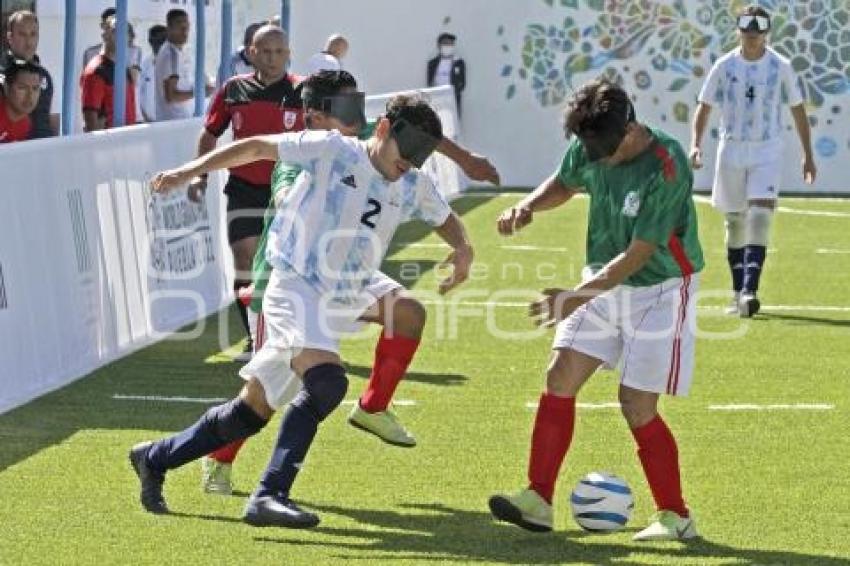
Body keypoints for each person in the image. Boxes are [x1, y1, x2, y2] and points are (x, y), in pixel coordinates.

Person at [130, 93, 475, 529]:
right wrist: (188, 171)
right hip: (297, 285)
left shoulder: (411, 181)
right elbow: (256, 147)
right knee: (328, 381)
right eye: (402, 157)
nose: (404, 167)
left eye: (414, 162)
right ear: (383, 130)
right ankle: (269, 495)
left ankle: (154, 458)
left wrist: (463, 247)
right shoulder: (333, 150)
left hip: (350, 288)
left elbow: (442, 215)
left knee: (250, 411)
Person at [200, 71, 501, 495]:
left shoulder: (374, 151)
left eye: (358, 107)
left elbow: (410, 131)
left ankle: (373, 407)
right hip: (289, 285)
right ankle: (219, 457)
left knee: (408, 312)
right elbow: (287, 189)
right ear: (316, 117)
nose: (356, 117)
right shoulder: (308, 155)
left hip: (348, 279)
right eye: (346, 109)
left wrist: (462, 169)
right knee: (265, 395)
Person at [488, 79, 704, 541]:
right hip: (601, 280)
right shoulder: (594, 141)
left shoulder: (666, 167)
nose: (598, 161)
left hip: (661, 288)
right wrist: (529, 206)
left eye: (606, 154)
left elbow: (640, 253)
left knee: (636, 404)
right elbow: (565, 182)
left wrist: (574, 297)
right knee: (560, 373)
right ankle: (538, 499)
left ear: (629, 131)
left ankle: (675, 515)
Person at [690, 4, 816, 318]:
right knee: (734, 222)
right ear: (738, 30)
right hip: (731, 149)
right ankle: (737, 294)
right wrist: (695, 145)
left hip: (766, 149)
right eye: (747, 27)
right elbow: (704, 106)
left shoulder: (780, 66)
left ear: (766, 32)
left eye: (758, 28)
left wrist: (808, 155)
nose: (752, 34)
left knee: (760, 215)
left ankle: (750, 290)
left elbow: (797, 108)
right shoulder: (724, 65)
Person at [188, 25, 304, 360]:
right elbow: (209, 133)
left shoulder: (302, 91)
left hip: (288, 192)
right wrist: (200, 176)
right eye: (265, 51)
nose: (273, 58)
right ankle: (255, 337)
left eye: (280, 52)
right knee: (244, 260)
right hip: (243, 190)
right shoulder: (233, 90)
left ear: (289, 54)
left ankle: (286, 335)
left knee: (282, 267)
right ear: (251, 53)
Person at [1, 10, 57, 138]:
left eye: (33, 34)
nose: (29, 42)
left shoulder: (46, 76)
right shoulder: (2, 74)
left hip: (42, 150)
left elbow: (53, 119)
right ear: (10, 37)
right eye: (22, 34)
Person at [80, 16, 137, 131]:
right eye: (114, 30)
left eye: (126, 32)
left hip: (128, 142)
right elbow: (91, 121)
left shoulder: (124, 70)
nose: (120, 35)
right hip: (109, 145)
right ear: (104, 35)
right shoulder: (97, 70)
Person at [154, 9, 212, 121]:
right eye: (180, 27)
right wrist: (199, 92)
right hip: (173, 121)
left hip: (181, 120)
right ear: (169, 28)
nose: (184, 31)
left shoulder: (179, 52)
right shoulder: (171, 54)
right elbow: (171, 96)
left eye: (187, 27)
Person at [83, 8, 142, 87]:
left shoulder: (133, 51)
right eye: (109, 27)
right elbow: (87, 82)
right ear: (102, 26)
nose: (113, 31)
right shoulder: (91, 53)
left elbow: (134, 81)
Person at [0, 58, 41, 143]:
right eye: (22, 88)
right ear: (6, 88)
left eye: (35, 88)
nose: (30, 96)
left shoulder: (27, 124)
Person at [427, 33, 465, 114]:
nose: (448, 46)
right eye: (445, 43)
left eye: (450, 43)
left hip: (453, 100)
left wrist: (452, 91)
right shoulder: (432, 63)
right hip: (437, 100)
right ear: (439, 45)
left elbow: (462, 83)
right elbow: (429, 83)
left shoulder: (459, 62)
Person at [139, 25, 167, 123]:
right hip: (149, 123)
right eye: (157, 41)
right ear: (150, 42)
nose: (161, 45)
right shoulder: (144, 64)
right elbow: (139, 94)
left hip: (174, 122)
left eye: (164, 40)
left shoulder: (181, 61)